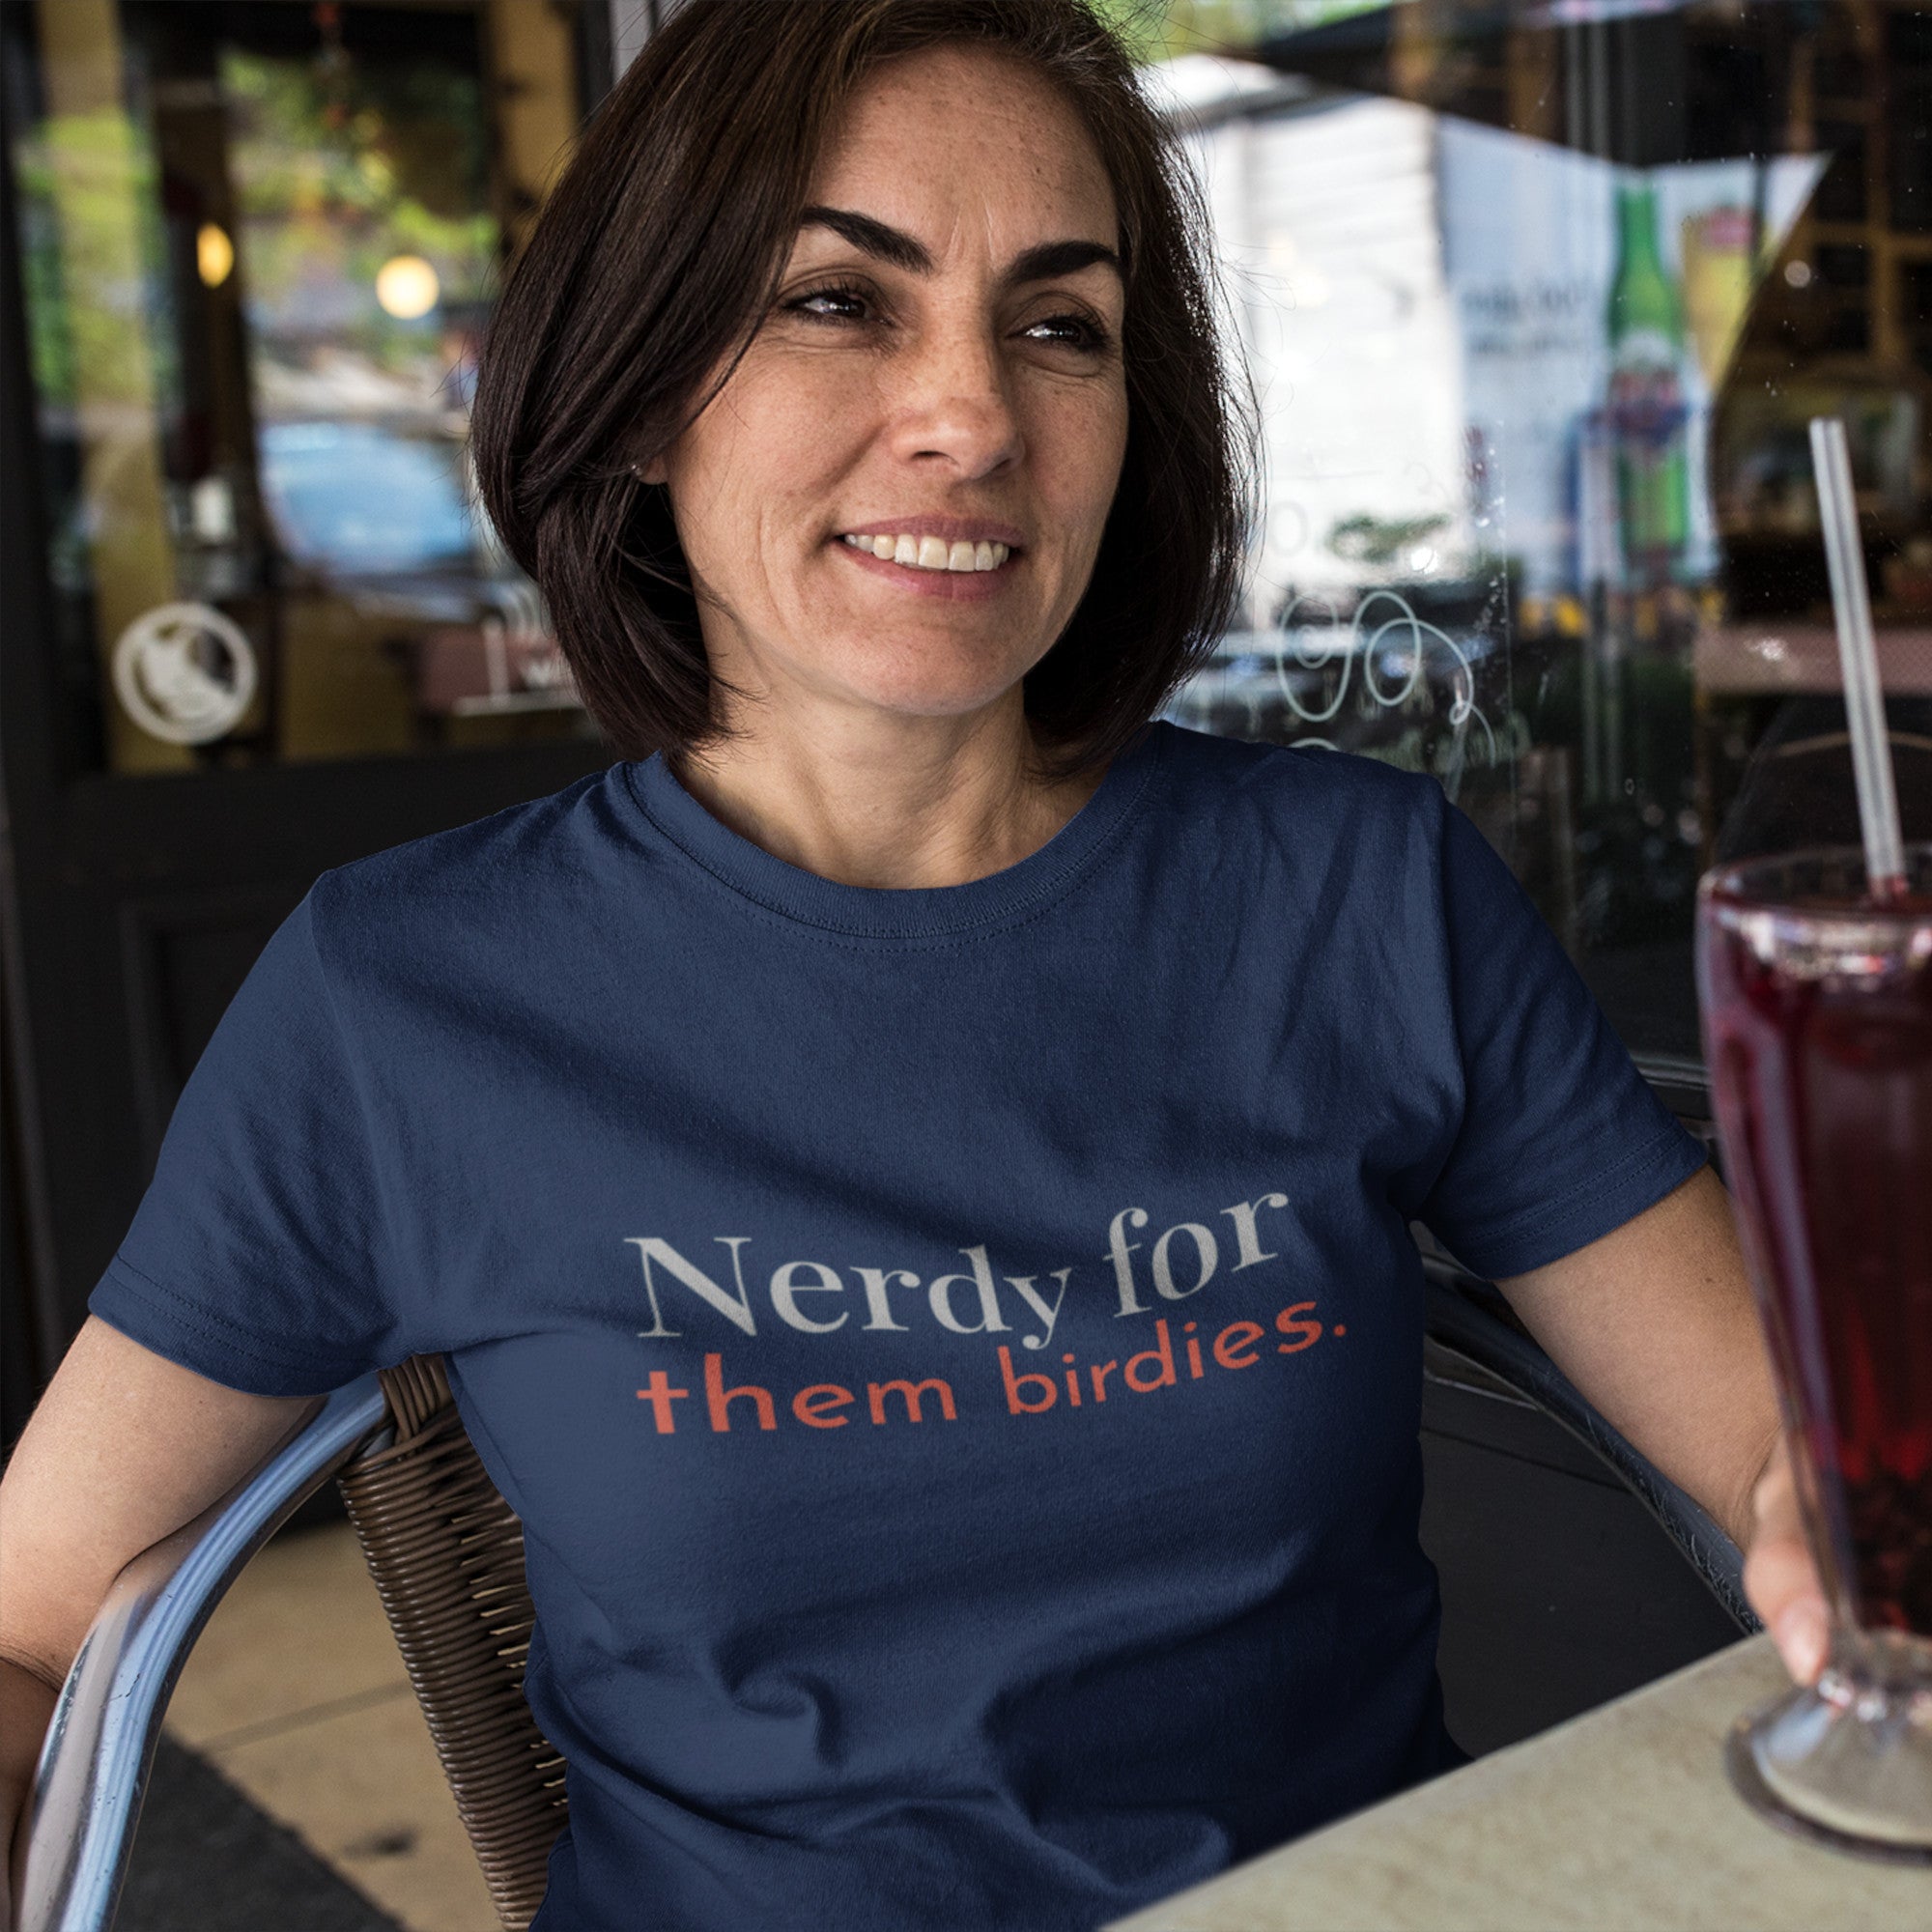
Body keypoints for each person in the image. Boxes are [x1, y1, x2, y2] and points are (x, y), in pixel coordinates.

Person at [1, 4, 1826, 1928]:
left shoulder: (1357, 894)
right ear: (640, 393)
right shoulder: (405, 998)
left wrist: (1834, 1538)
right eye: (835, 301)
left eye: (1060, 324)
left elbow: (1781, 1452)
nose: (974, 415)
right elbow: (31, 1623)